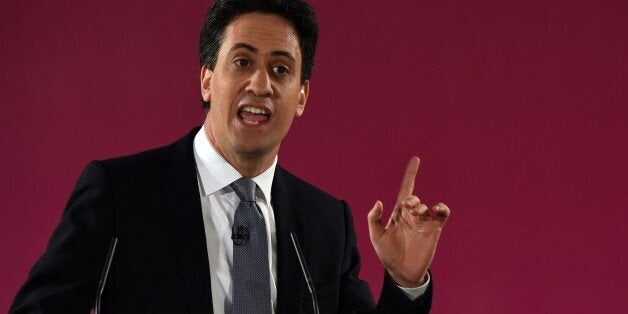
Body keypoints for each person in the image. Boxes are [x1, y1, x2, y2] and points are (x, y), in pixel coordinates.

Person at [10, 0, 451, 313]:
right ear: (207, 80)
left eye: (281, 69)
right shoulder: (121, 193)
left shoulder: (326, 221)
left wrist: (405, 283)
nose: (261, 84)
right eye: (242, 62)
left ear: (301, 96)